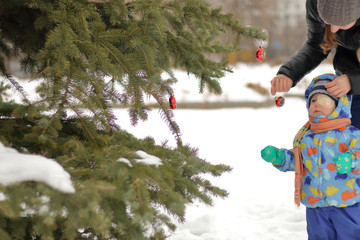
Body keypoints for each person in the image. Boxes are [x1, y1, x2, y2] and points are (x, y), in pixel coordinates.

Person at [261, 73, 360, 240]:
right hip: (315, 205)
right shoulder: (306, 137)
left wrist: (350, 160)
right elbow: (298, 161)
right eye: (313, 100)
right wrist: (280, 157)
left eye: (324, 100)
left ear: (337, 105)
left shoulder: (350, 133)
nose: (317, 104)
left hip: (346, 203)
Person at [270, 0, 360, 129]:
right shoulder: (315, 4)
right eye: (327, 22)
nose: (333, 29)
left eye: (342, 23)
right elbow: (317, 46)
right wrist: (289, 73)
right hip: (347, 91)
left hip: (350, 84)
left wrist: (352, 81)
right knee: (344, 139)